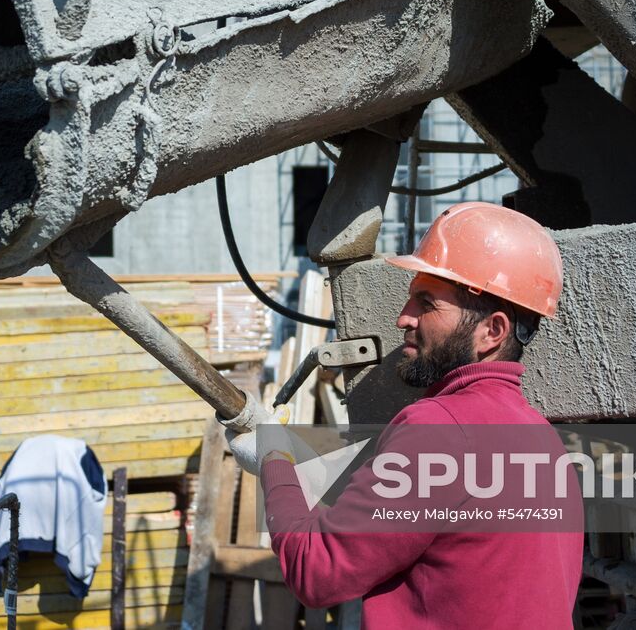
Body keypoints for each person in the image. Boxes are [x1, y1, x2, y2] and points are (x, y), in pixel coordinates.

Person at [228, 201, 583, 628]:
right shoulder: (542, 436)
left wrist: (274, 458)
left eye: (426, 304)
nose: (402, 318)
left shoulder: (439, 430)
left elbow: (315, 570)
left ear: (493, 331)